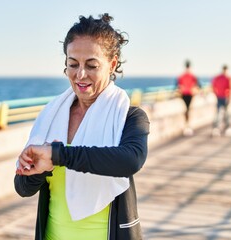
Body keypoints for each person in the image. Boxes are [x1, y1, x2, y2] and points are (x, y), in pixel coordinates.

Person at [14, 13, 150, 240]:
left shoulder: (129, 116)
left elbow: (130, 160)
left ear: (112, 64)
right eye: (72, 64)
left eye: (92, 65)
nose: (80, 74)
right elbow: (23, 187)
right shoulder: (51, 116)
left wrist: (59, 155)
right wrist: (39, 169)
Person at [176, 60, 201, 136]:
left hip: (184, 94)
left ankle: (187, 126)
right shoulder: (192, 75)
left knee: (186, 110)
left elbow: (178, 86)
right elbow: (198, 85)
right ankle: (188, 126)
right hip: (189, 94)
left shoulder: (181, 76)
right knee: (188, 110)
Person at [211, 64, 231, 137]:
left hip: (226, 97)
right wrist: (216, 95)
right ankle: (218, 128)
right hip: (220, 97)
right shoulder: (221, 77)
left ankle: (228, 127)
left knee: (227, 113)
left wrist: (230, 98)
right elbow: (213, 86)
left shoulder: (228, 78)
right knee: (219, 113)